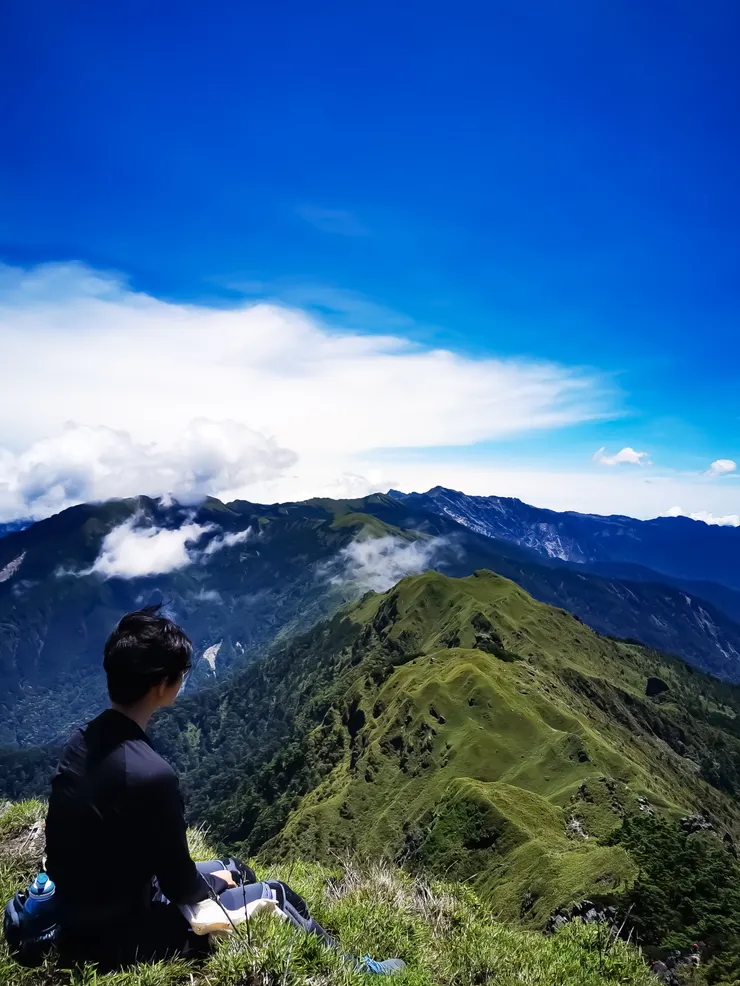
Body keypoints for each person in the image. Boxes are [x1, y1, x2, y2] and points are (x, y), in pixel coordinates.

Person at [45, 605, 404, 975]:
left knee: (236, 869)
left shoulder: (82, 741)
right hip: (119, 940)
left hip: (82, 909)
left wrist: (215, 879)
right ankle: (355, 972)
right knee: (276, 894)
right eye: (181, 672)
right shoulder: (150, 774)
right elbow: (180, 885)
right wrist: (206, 886)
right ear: (161, 685)